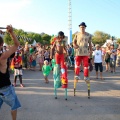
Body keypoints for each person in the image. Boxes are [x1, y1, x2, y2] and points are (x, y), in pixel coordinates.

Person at [0, 25, 21, 120]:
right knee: (14, 106)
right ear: (1, 45)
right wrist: (11, 32)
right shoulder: (3, 57)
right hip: (6, 89)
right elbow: (17, 44)